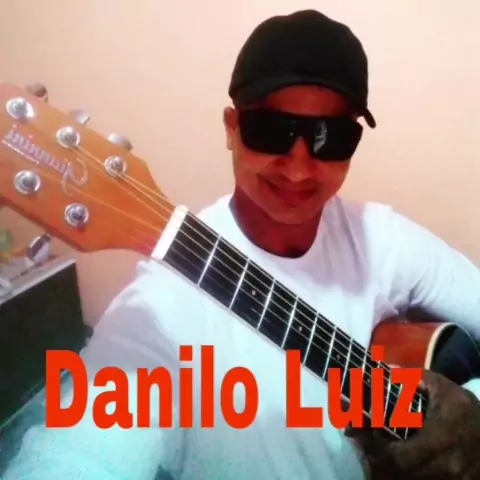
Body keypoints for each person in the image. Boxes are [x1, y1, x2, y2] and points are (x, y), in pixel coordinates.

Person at [3, 9, 480, 480]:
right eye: (270, 131)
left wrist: (473, 408)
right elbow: (79, 451)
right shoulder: (160, 310)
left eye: (330, 137)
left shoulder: (382, 237)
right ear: (231, 128)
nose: (298, 168)